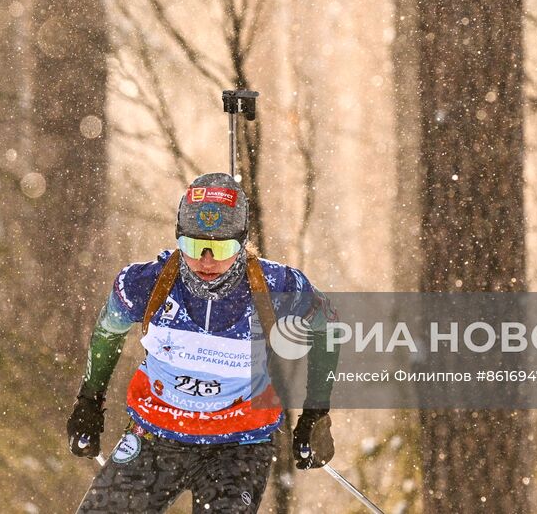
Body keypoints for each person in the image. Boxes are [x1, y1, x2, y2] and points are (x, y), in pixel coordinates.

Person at [66, 172, 337, 512]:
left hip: (238, 445)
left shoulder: (277, 287)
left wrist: (316, 413)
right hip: (156, 435)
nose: (206, 261)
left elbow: (327, 328)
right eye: (193, 246)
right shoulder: (144, 284)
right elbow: (108, 331)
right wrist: (89, 401)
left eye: (222, 247)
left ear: (242, 243)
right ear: (179, 238)